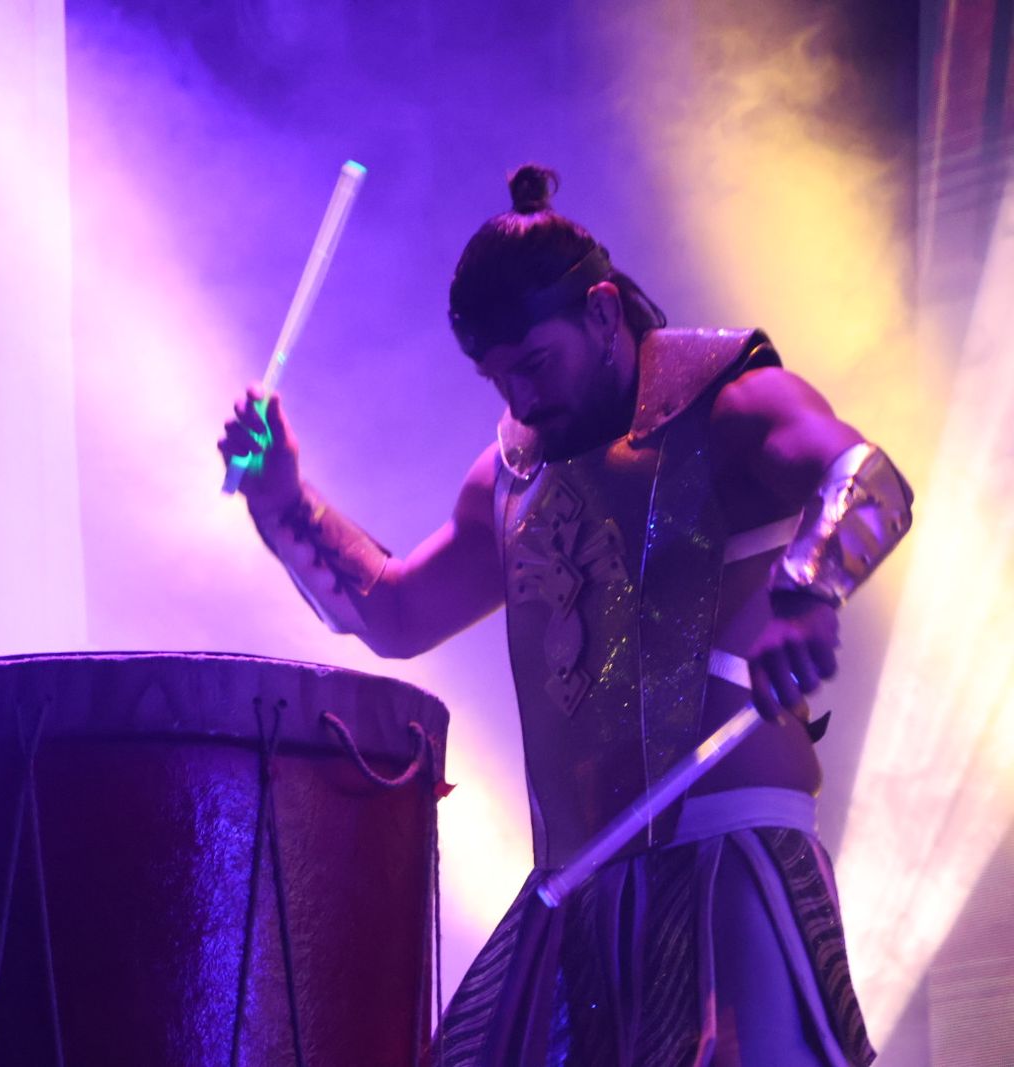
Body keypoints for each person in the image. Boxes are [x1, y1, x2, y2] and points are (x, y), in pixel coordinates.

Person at [216, 165, 911, 1066]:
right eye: (497, 378)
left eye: (533, 365)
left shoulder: (727, 400)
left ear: (600, 311)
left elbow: (866, 479)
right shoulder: (509, 475)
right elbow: (393, 614)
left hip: (725, 866)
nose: (520, 400)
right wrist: (284, 501)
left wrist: (810, 588)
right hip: (577, 893)